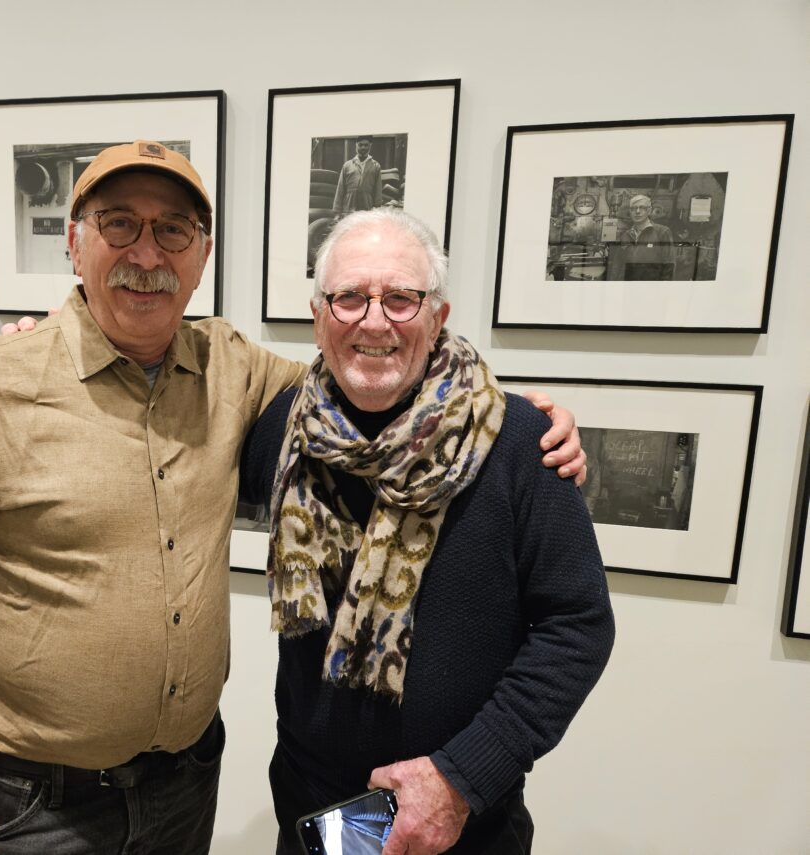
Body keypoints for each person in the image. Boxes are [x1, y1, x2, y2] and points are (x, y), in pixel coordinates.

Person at [0, 142, 585, 855]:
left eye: (173, 229)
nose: (146, 254)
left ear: (201, 256)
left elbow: (379, 383)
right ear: (74, 246)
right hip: (33, 803)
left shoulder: (249, 378)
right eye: (119, 224)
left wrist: (507, 412)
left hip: (186, 788)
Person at [238, 208, 615, 854]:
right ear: (319, 315)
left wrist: (462, 777)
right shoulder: (282, 430)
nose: (374, 320)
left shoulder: (521, 441)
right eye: (350, 297)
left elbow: (577, 625)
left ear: (437, 316)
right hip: (313, 819)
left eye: (401, 298)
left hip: (466, 826)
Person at [606, 193, 675, 280]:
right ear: (630, 212)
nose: (637, 211)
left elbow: (669, 265)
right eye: (633, 208)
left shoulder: (662, 232)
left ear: (649, 211)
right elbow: (617, 264)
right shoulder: (626, 235)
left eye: (642, 207)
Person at [333, 135, 385, 215]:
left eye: (366, 145)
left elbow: (378, 190)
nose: (363, 147)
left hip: (367, 206)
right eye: (360, 145)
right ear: (356, 145)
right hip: (349, 206)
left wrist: (377, 209)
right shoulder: (347, 165)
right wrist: (337, 211)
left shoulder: (375, 166)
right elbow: (340, 188)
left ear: (370, 146)